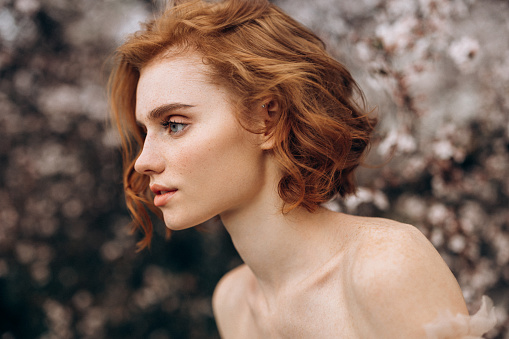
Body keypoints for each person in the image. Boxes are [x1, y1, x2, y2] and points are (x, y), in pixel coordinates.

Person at [108, 0, 496, 337]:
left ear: (267, 120)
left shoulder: (384, 268)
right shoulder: (234, 301)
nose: (143, 161)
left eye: (174, 125)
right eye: (146, 131)